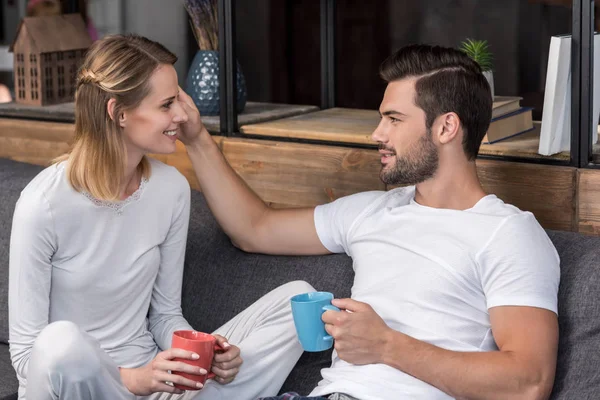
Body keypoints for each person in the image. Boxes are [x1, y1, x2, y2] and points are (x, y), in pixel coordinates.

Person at [177, 44, 560, 400]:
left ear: (446, 127)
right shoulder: (371, 211)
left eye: (394, 119)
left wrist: (388, 345)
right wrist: (195, 138)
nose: (377, 134)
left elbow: (529, 382)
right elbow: (253, 228)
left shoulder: (507, 233)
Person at [8, 34, 312, 400]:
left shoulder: (170, 189)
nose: (182, 116)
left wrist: (204, 351)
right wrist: (135, 379)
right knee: (61, 342)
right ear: (118, 113)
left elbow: (164, 315)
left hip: (155, 387)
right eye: (167, 104)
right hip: (77, 389)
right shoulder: (44, 204)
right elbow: (27, 355)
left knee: (298, 299)